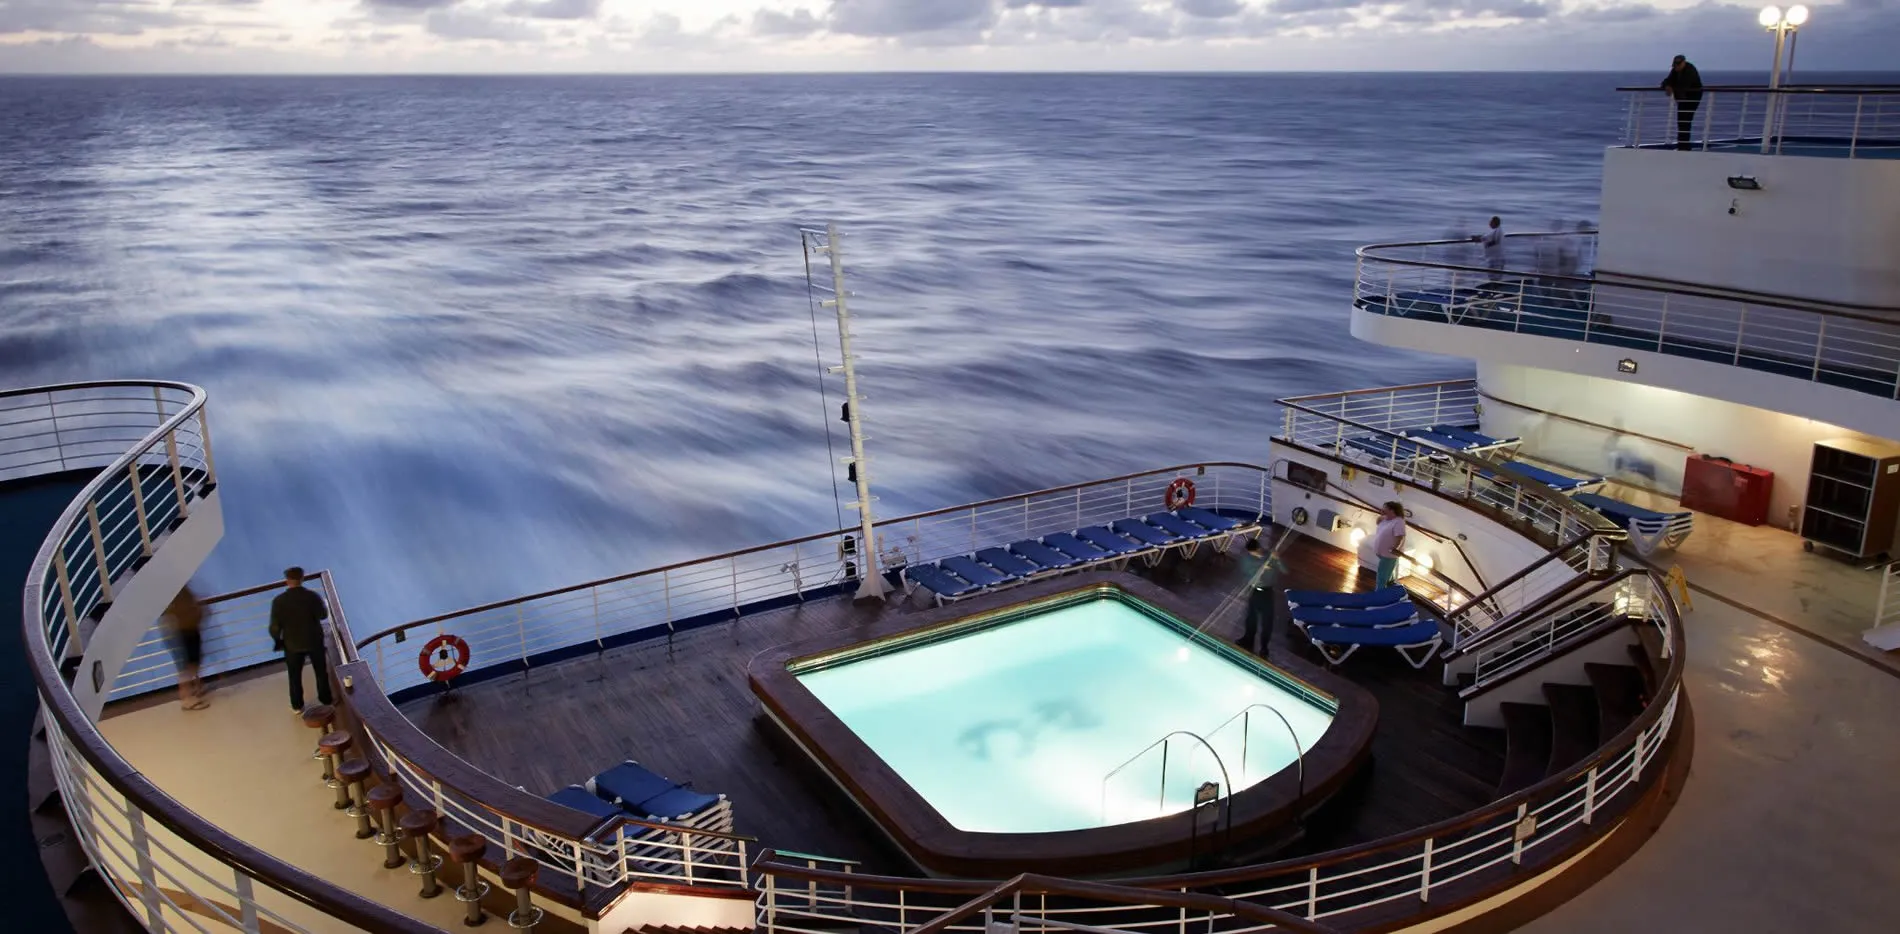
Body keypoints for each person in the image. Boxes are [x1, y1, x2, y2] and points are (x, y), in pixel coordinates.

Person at [269, 566, 333, 712]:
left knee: (294, 676)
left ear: (287, 581)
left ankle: (297, 705)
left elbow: (274, 627)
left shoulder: (278, 601)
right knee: (321, 672)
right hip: (314, 640)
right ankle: (326, 700)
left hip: (292, 644)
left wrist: (278, 640)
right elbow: (323, 615)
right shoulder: (312, 597)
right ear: (302, 579)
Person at [1236, 537, 1286, 656]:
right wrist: (1261, 567)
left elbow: (1285, 570)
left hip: (1267, 593)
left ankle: (1264, 647)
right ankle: (1248, 640)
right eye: (1251, 553)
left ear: (1258, 548)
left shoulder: (1270, 556)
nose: (1252, 554)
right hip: (1254, 591)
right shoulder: (1247, 559)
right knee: (1250, 618)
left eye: (1254, 551)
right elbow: (1247, 571)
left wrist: (1277, 559)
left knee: (1267, 622)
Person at [164, 585, 207, 710]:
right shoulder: (175, 591)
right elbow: (179, 610)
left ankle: (196, 689)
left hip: (190, 629)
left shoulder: (181, 589)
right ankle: (187, 698)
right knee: (187, 666)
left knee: (193, 663)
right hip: (185, 631)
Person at [1661, 55, 1703, 151]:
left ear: (1684, 62)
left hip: (1692, 98)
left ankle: (1684, 147)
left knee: (1685, 121)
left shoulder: (1690, 70)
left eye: (1678, 65)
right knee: (1682, 122)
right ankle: (1683, 146)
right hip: (1682, 98)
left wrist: (1671, 87)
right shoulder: (1675, 71)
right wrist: (1667, 85)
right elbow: (1667, 80)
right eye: (1675, 65)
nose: (1677, 67)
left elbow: (1684, 85)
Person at [1371, 502, 1408, 589]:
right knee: (1387, 572)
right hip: (1382, 553)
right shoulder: (1387, 518)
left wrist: (1394, 549)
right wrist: (1382, 515)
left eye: (1385, 508)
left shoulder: (1399, 522)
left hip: (1389, 555)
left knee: (1381, 577)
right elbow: (1378, 522)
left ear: (1392, 510)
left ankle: (1379, 596)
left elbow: (1400, 537)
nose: (1382, 510)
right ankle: (1390, 585)